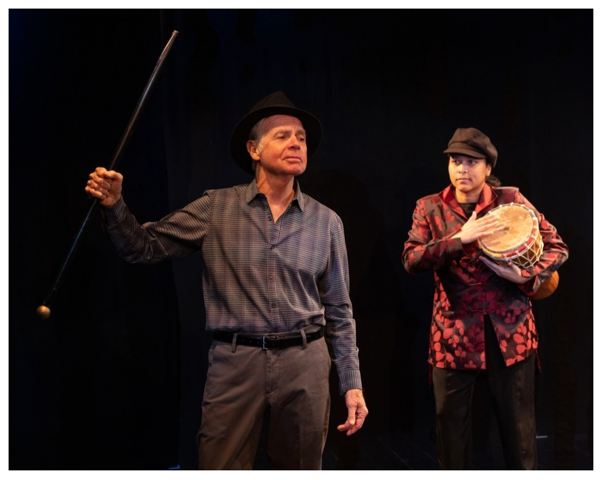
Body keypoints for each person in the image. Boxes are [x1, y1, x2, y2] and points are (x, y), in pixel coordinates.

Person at [85, 91, 368, 469]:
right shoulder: (217, 207)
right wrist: (115, 205)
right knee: (219, 465)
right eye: (282, 135)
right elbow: (144, 246)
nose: (296, 143)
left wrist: (352, 381)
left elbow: (339, 309)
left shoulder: (326, 221)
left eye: (300, 137)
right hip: (237, 362)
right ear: (253, 149)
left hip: (306, 362)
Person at [402, 127, 568, 469]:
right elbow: (411, 259)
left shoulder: (512, 201)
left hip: (510, 335)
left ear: (488, 168)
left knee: (519, 436)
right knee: (451, 438)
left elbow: (557, 247)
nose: (462, 169)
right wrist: (458, 240)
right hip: (453, 336)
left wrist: (526, 276)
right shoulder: (429, 207)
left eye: (471, 162)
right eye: (455, 161)